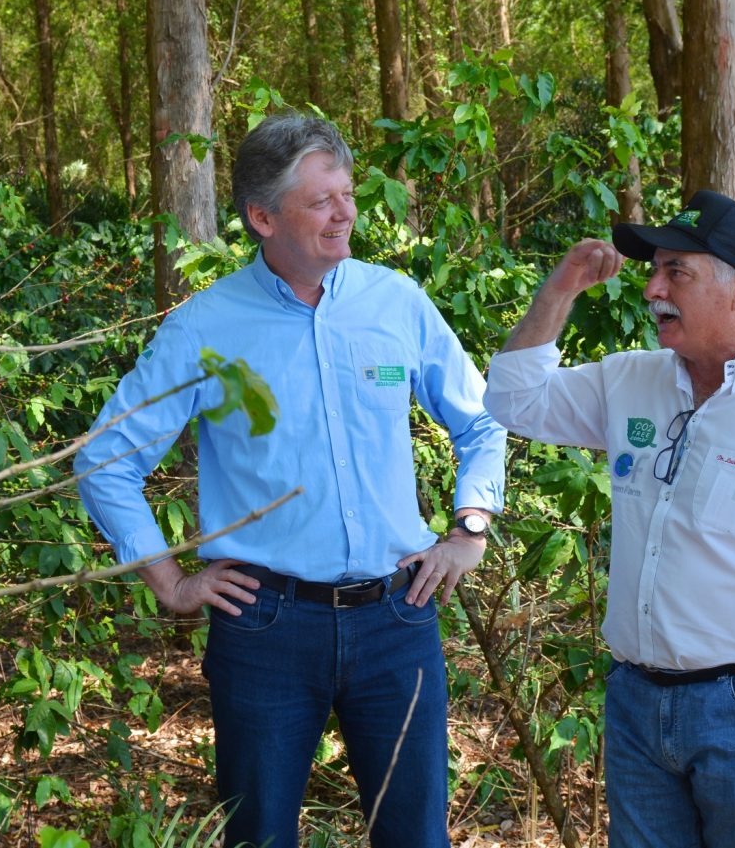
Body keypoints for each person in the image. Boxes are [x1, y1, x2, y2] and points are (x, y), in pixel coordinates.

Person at [76, 113, 506, 848]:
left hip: (398, 616)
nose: (346, 214)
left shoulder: (394, 302)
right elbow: (105, 459)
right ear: (262, 216)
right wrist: (170, 581)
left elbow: (484, 421)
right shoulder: (205, 325)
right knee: (259, 837)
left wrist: (469, 527)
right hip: (266, 628)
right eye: (322, 200)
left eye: (347, 194)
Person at [484, 189, 735, 848]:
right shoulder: (631, 380)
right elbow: (511, 398)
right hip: (638, 704)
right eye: (653, 269)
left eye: (677, 272)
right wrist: (559, 290)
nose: (652, 289)